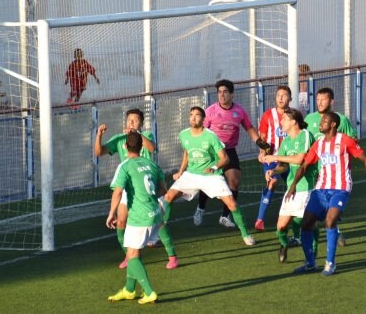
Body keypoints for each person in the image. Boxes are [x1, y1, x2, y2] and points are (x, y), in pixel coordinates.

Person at [290, 112, 366, 276]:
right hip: (320, 190)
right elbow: (305, 165)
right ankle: (310, 263)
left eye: (325, 121)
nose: (321, 123)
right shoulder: (319, 144)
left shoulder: (345, 141)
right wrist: (293, 185)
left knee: (330, 221)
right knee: (306, 224)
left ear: (333, 124)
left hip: (340, 189)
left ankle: (330, 263)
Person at [95, 108, 178, 269]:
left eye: (135, 120)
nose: (131, 122)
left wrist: (136, 134)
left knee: (158, 222)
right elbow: (99, 152)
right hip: (130, 186)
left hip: (148, 186)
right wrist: (99, 135)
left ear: (141, 123)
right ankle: (129, 256)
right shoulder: (120, 139)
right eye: (129, 120)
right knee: (120, 221)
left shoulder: (146, 136)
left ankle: (172, 256)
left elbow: (152, 148)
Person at [164, 106, 256, 246]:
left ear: (203, 119)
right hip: (192, 175)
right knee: (168, 197)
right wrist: (181, 171)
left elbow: (225, 158)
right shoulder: (183, 134)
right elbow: (187, 153)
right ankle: (159, 232)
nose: (193, 117)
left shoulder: (211, 136)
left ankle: (246, 234)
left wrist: (214, 168)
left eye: (197, 115)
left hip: (211, 176)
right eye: (191, 115)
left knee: (231, 203)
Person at [193, 79, 270, 228]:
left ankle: (225, 216)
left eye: (225, 92)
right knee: (207, 183)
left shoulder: (239, 112)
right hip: (212, 152)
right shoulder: (210, 111)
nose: (222, 95)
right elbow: (201, 131)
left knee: (234, 180)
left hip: (229, 151)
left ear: (232, 94)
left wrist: (261, 144)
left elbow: (249, 129)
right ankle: (201, 208)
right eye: (219, 92)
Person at [106, 131, 162, 304]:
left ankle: (149, 291)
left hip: (139, 218)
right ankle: (129, 290)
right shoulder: (152, 164)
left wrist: (111, 214)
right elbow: (163, 190)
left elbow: (117, 192)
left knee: (132, 256)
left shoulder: (126, 166)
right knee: (133, 253)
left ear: (125, 147)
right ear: (142, 146)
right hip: (155, 215)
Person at [263, 108, 318, 263]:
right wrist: (273, 170)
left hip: (307, 187)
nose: (281, 122)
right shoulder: (286, 141)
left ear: (294, 122)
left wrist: (275, 156)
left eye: (284, 119)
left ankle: (313, 251)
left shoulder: (305, 135)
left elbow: (300, 159)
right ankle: (284, 245)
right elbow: (284, 165)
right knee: (280, 227)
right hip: (291, 189)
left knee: (308, 224)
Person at [304, 87, 356, 246]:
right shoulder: (309, 118)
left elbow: (353, 141)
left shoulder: (341, 119)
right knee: (310, 207)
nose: (319, 103)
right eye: (317, 99)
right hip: (314, 172)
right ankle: (320, 234)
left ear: (331, 101)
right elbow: (304, 139)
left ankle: (333, 232)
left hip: (335, 175)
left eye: (323, 100)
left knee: (325, 209)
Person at [254, 85, 292, 231]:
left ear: (290, 98)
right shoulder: (268, 115)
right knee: (272, 182)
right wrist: (262, 152)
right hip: (272, 158)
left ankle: (299, 216)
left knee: (296, 186)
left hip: (290, 159)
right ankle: (260, 220)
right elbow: (262, 137)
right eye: (278, 95)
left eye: (284, 95)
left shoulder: (294, 115)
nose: (281, 98)